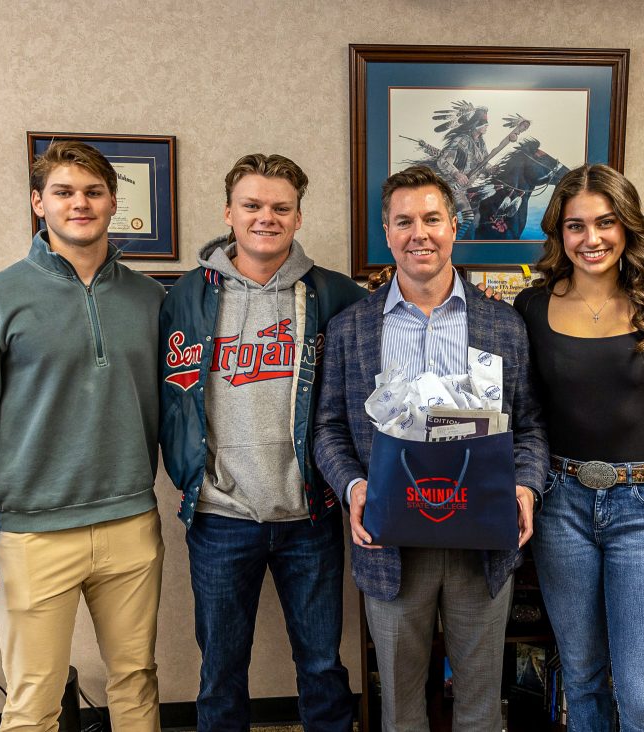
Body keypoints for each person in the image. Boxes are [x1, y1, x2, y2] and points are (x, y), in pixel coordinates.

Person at [0, 141, 165, 731]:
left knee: (136, 682)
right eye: (63, 192)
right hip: (34, 533)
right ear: (39, 203)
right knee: (34, 700)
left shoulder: (152, 300)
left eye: (93, 192)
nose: (79, 203)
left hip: (132, 523)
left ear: (114, 202)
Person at [313, 165, 548, 732]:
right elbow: (327, 428)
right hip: (391, 542)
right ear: (387, 234)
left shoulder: (502, 324)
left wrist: (525, 485)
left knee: (479, 703)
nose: (419, 233)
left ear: (454, 226)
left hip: (481, 543)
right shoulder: (351, 328)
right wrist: (353, 486)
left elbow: (532, 426)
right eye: (404, 222)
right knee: (399, 703)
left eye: (432, 219)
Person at [158, 153, 364, 732]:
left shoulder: (337, 297)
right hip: (220, 514)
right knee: (220, 670)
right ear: (229, 212)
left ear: (299, 217)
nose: (265, 217)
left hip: (310, 514)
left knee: (323, 665)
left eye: (280, 207)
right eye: (252, 205)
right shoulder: (183, 299)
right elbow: (167, 398)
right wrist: (185, 473)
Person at [513, 164, 644, 731]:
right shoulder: (529, 308)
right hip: (561, 504)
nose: (592, 238)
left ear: (627, 227)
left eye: (605, 223)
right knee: (581, 678)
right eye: (575, 226)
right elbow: (521, 415)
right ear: (559, 232)